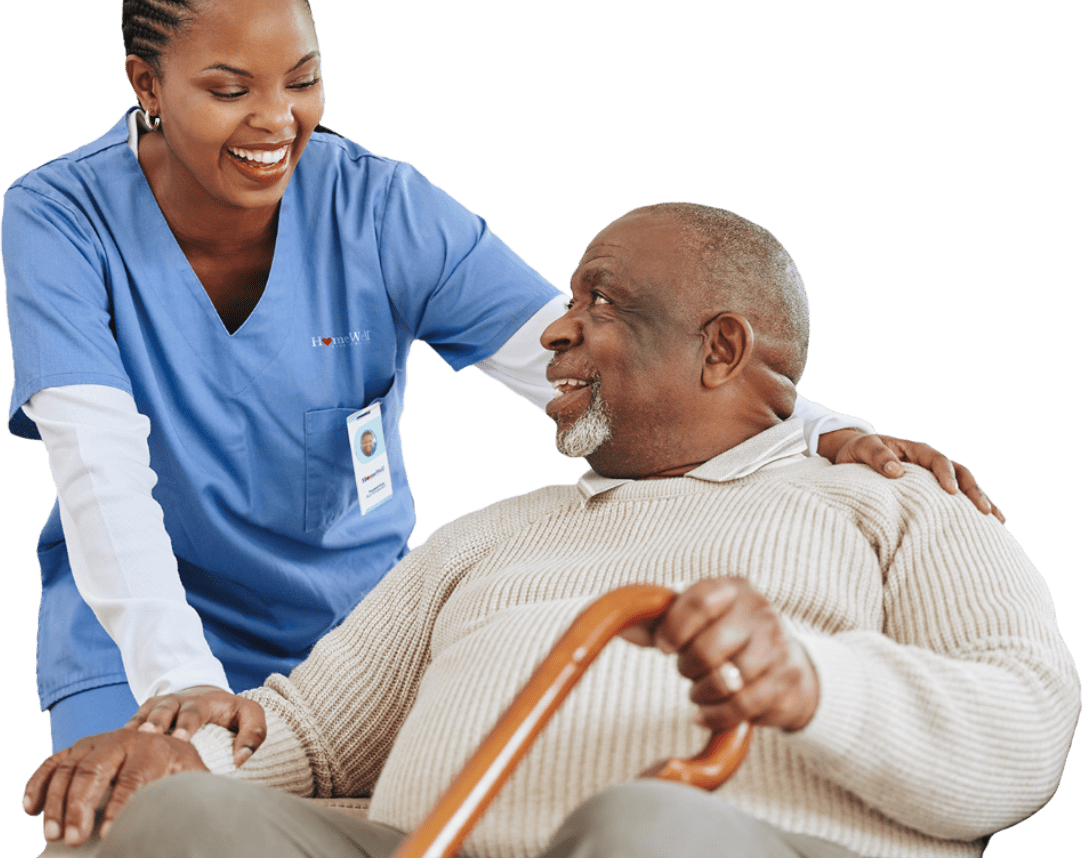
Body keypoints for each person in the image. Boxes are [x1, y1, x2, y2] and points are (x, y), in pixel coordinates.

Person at [2, 0, 998, 757]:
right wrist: (181, 684)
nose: (278, 119)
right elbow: (99, 471)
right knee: (136, 826)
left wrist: (824, 428)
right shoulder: (57, 218)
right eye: (229, 88)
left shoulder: (380, 210)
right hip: (135, 639)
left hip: (352, 647)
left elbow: (589, 363)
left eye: (302, 79)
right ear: (146, 81)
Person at [24, 203, 1075, 858]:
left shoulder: (894, 500)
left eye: (601, 302)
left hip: (716, 842)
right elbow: (305, 732)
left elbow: (1025, 727)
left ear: (720, 349)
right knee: (163, 823)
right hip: (427, 845)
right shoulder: (483, 536)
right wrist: (175, 759)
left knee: (646, 828)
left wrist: (811, 681)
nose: (556, 327)